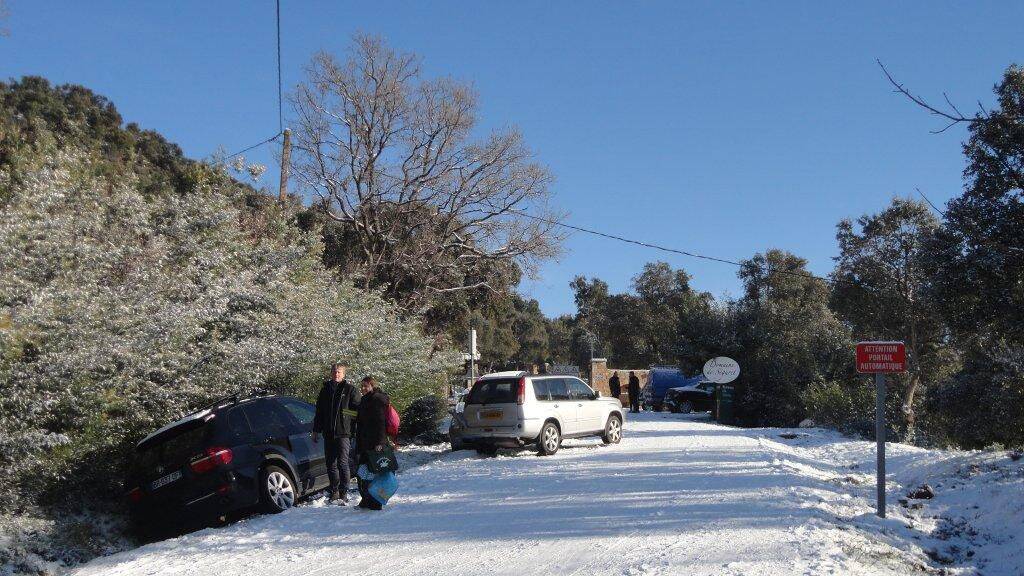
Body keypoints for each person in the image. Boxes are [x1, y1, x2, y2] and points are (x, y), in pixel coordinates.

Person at [312, 362, 361, 504]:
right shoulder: (325, 390)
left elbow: (357, 412)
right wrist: (316, 430)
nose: (336, 374)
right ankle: (335, 491)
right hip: (328, 433)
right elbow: (319, 412)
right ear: (331, 373)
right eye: (334, 371)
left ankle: (344, 491)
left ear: (343, 374)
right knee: (330, 464)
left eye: (339, 372)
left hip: (344, 433)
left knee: (343, 463)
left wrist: (344, 415)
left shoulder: (350, 390)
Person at [355, 375, 390, 510]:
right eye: (362, 386)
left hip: (375, 443)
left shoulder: (377, 400)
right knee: (363, 473)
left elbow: (380, 423)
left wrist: (380, 442)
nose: (363, 388)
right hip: (364, 442)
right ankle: (366, 499)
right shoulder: (365, 400)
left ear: (372, 386)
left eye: (366, 386)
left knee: (376, 474)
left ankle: (376, 501)